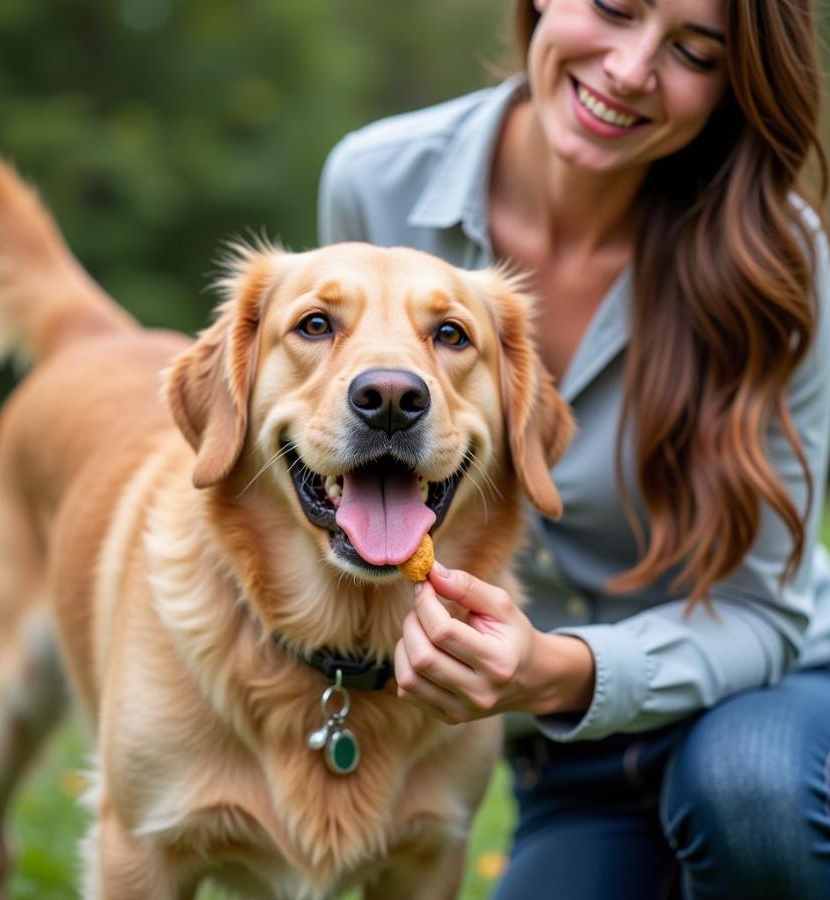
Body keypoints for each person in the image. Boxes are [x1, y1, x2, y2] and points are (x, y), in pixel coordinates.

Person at [318, 1, 830, 897]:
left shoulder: (783, 258)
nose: (631, 68)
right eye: (615, 8)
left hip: (766, 703)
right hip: (570, 764)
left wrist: (559, 670)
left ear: (730, 86)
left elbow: (765, 610)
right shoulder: (378, 179)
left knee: (748, 795)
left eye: (693, 50)